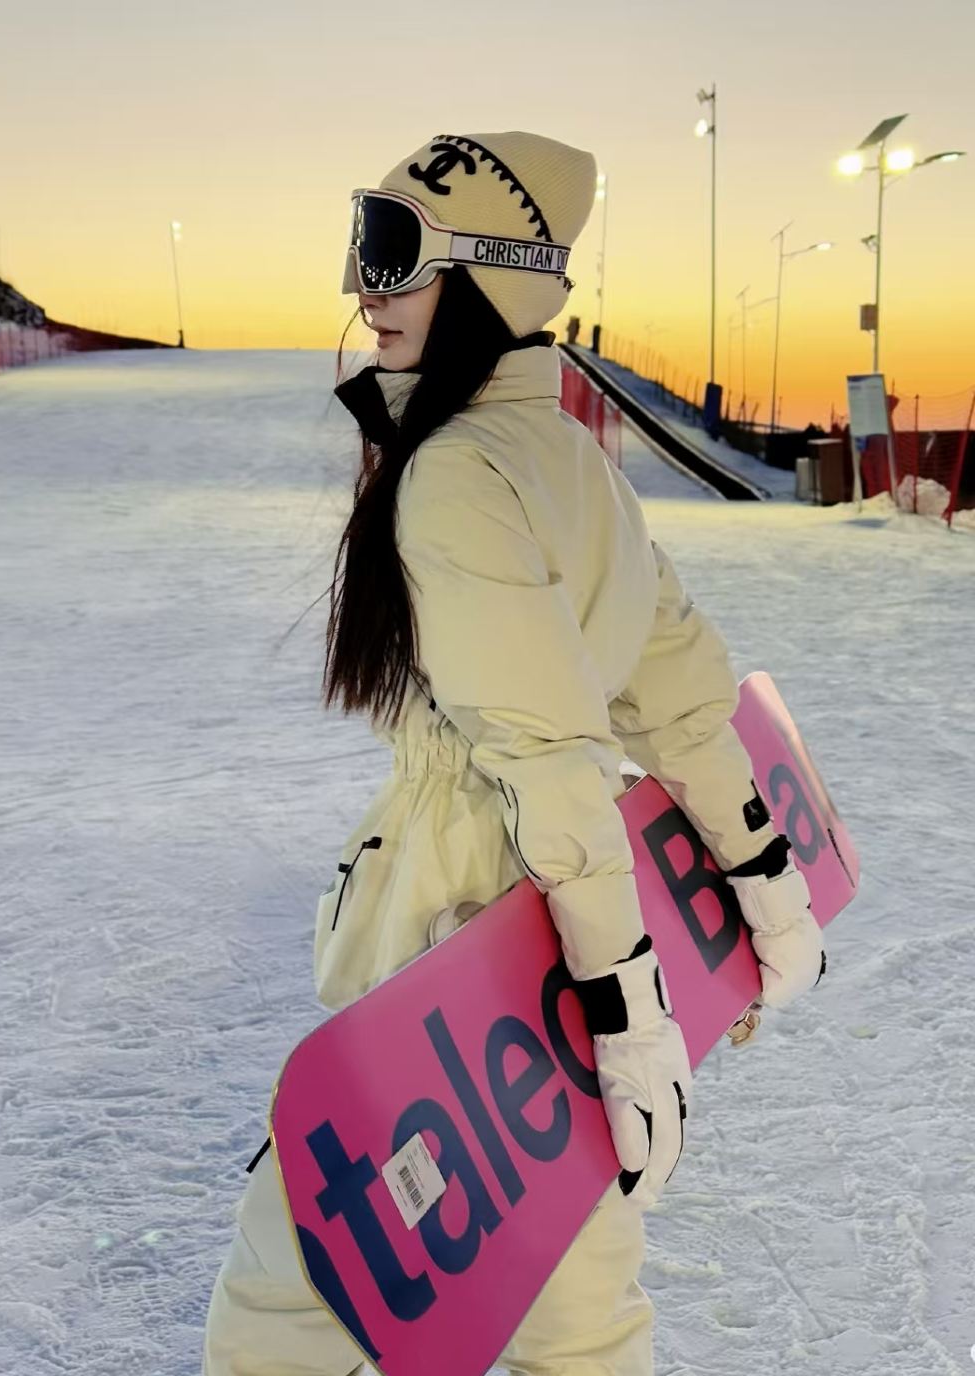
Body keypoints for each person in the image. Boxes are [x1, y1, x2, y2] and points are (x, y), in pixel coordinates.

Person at [202, 130, 826, 1376]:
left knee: (297, 1289)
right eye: (360, 241)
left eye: (392, 251)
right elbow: (679, 699)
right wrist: (763, 875)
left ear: (490, 274)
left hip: (459, 940)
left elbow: (547, 757)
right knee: (573, 1300)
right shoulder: (574, 461)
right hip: (551, 941)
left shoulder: (453, 474)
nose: (361, 287)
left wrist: (628, 1009)